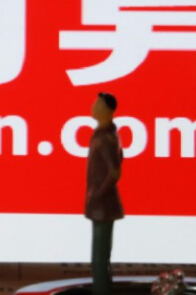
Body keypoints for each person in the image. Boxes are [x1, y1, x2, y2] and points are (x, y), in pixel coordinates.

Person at [85, 92, 124, 295]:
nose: (93, 107)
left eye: (97, 104)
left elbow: (115, 171)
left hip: (103, 204)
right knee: (99, 256)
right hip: (100, 203)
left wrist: (98, 193)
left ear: (107, 110)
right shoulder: (103, 134)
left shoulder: (107, 138)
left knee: (99, 258)